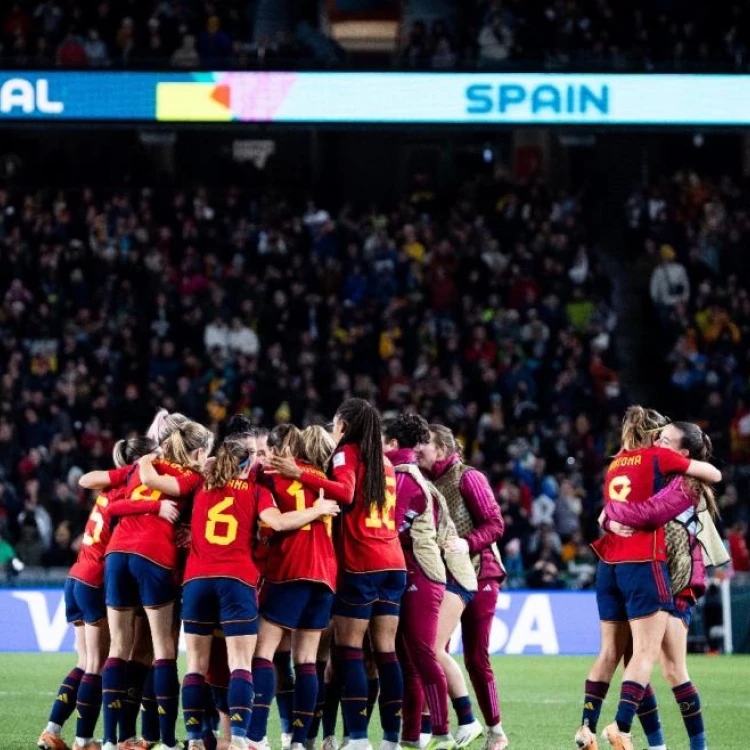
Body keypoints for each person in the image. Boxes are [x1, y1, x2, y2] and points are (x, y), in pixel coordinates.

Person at [181, 433, 339, 750]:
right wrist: (317, 509)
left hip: (196, 580)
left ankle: (195, 739)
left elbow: (190, 471)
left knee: (195, 664)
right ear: (248, 462)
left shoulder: (201, 484)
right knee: (245, 662)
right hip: (240, 580)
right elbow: (277, 523)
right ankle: (245, 739)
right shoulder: (257, 491)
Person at [576, 407, 722, 750]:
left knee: (671, 668)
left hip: (677, 580)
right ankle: (656, 745)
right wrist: (609, 518)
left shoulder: (687, 483)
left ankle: (695, 746)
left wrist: (612, 514)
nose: (658, 442)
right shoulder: (659, 470)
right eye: (657, 436)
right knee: (635, 659)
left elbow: (649, 513)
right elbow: (608, 512)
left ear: (683, 452)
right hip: (645, 570)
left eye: (665, 439)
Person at [269, 398, 406, 750]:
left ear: (344, 426)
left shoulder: (347, 454)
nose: (332, 431)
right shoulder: (385, 463)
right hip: (393, 562)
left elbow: (344, 494)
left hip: (362, 562)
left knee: (349, 651)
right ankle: (392, 738)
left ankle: (358, 738)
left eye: (334, 424)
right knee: (386, 652)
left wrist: (299, 473)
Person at [80, 420, 214, 750]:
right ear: (197, 451)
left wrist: (139, 467)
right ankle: (167, 741)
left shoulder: (141, 468)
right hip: (154, 556)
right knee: (163, 649)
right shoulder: (191, 478)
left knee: (118, 647)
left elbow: (109, 499)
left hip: (117, 555)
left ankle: (113, 740)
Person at [37, 436, 168, 750]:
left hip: (76, 576)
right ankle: (83, 740)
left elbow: (88, 480)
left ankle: (52, 730)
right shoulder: (129, 492)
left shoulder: (111, 489)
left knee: (85, 661)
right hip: (96, 580)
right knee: (99, 662)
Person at [384, 413, 475, 750]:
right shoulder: (409, 476)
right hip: (416, 573)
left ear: (392, 444)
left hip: (423, 576)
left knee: (425, 653)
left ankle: (443, 731)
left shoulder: (406, 479)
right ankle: (410, 737)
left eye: (383, 441)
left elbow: (389, 528)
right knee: (411, 660)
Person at [247, 425, 339, 750]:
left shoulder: (270, 474)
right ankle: (299, 741)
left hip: (291, 569)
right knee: (306, 660)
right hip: (326, 574)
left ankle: (255, 736)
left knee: (263, 652)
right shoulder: (324, 479)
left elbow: (273, 519)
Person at [416, 425, 507, 750]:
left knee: (474, 657)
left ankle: (494, 731)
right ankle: (429, 726)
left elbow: (496, 523)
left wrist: (466, 543)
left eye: (423, 445)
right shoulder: (423, 482)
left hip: (481, 573)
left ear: (442, 448)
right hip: (447, 577)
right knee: (430, 649)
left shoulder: (468, 477)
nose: (417, 451)